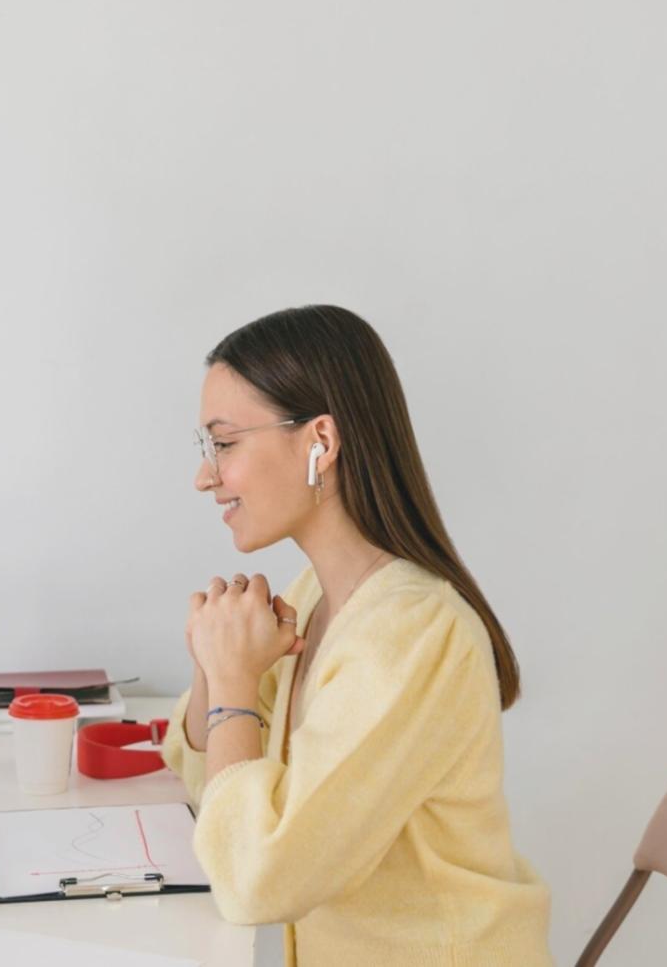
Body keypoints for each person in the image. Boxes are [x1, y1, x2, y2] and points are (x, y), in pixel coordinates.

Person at [162, 305, 555, 966]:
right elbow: (203, 775)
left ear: (320, 441)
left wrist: (233, 682)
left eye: (223, 444)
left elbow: (256, 879)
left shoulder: (408, 634)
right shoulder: (318, 594)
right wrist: (214, 662)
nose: (204, 476)